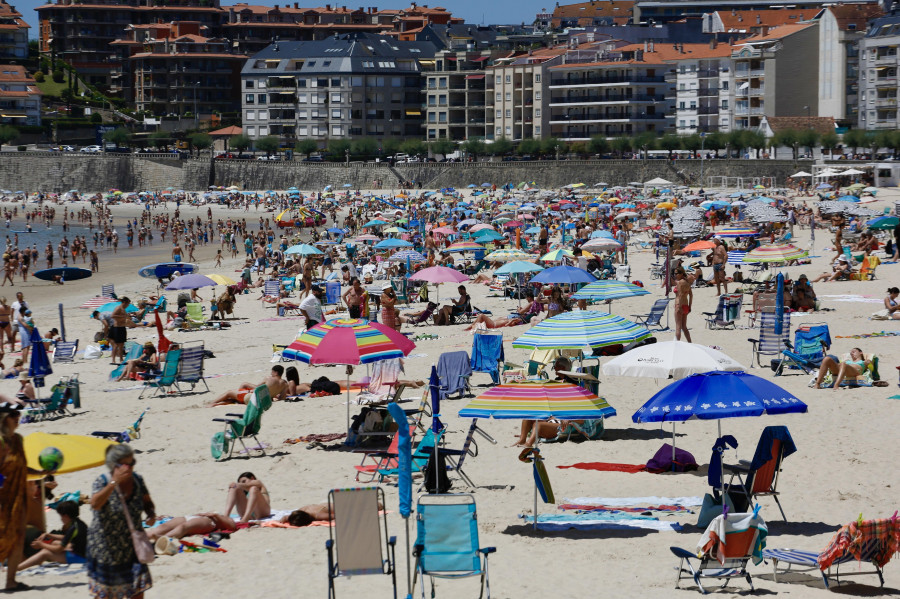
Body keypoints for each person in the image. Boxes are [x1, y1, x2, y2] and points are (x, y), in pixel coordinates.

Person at [87, 443, 155, 599]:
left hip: (132, 547)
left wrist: (151, 514)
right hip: (106, 550)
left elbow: (147, 502)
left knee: (138, 591)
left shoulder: (137, 480)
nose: (129, 468)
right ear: (113, 465)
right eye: (124, 464)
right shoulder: (102, 482)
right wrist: (114, 483)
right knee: (106, 594)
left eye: (132, 463)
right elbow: (95, 504)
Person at [514, 358, 583, 447]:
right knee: (528, 416)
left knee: (538, 425)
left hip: (560, 422)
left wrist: (566, 418)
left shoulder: (573, 386)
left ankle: (529, 443)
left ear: (562, 367)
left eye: (555, 366)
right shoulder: (557, 381)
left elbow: (580, 416)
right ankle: (522, 439)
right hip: (552, 416)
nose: (554, 368)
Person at [0, 402, 29, 591]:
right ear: (3, 418)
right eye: (13, 415)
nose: (17, 418)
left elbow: (23, 467)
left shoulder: (18, 440)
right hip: (2, 501)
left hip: (18, 499)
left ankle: (11, 581)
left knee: (18, 537)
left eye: (18, 414)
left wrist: (41, 471)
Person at [17, 500, 87, 571]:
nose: (61, 519)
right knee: (54, 542)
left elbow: (58, 549)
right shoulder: (79, 523)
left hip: (80, 557)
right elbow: (67, 537)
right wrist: (49, 535)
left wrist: (41, 545)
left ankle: (17, 568)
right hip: (83, 552)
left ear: (66, 516)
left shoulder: (72, 528)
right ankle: (36, 560)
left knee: (45, 552)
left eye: (61, 516)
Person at [207, 365, 288, 406]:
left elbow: (257, 387)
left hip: (253, 399)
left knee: (229, 392)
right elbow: (282, 398)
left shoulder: (268, 378)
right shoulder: (285, 383)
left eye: (272, 372)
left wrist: (248, 385)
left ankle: (212, 403)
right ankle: (221, 403)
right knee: (236, 396)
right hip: (265, 401)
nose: (271, 373)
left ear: (276, 372)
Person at [147, 513, 236, 542]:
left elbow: (232, 526)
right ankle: (142, 538)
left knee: (183, 527)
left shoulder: (229, 518)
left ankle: (163, 539)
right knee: (164, 526)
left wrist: (215, 514)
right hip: (191, 517)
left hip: (208, 521)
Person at [109, 298, 138, 365]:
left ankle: (121, 359)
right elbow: (112, 315)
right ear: (124, 302)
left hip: (122, 327)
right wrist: (122, 316)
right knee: (116, 345)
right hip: (116, 328)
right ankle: (113, 360)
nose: (128, 305)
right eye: (128, 303)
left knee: (122, 345)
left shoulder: (123, 309)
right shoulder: (118, 308)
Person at [673, 267, 694, 342]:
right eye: (674, 273)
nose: (675, 275)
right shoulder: (687, 282)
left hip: (679, 305)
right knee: (684, 327)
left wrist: (680, 307)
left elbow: (681, 295)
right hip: (686, 306)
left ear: (681, 274)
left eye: (676, 273)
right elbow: (691, 295)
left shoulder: (679, 282)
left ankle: (677, 344)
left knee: (678, 327)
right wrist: (689, 306)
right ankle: (690, 342)